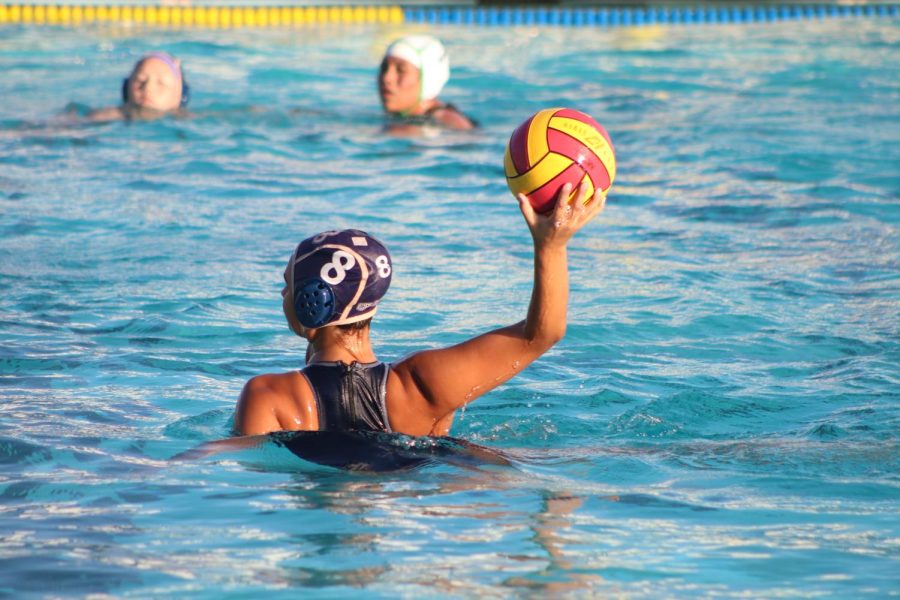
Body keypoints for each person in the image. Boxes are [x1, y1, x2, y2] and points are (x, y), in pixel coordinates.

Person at [233, 181, 606, 438]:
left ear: (312, 300)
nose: (282, 292)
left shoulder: (271, 396)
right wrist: (552, 247)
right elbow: (540, 334)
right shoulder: (421, 385)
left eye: (289, 283)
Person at [377, 34, 476, 132]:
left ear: (428, 78)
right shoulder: (404, 120)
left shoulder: (452, 126)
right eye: (384, 68)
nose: (387, 78)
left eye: (401, 70)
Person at [87, 52, 190, 122]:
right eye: (140, 80)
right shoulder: (104, 116)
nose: (147, 88)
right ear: (127, 87)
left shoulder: (187, 121)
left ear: (178, 94)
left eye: (160, 83)